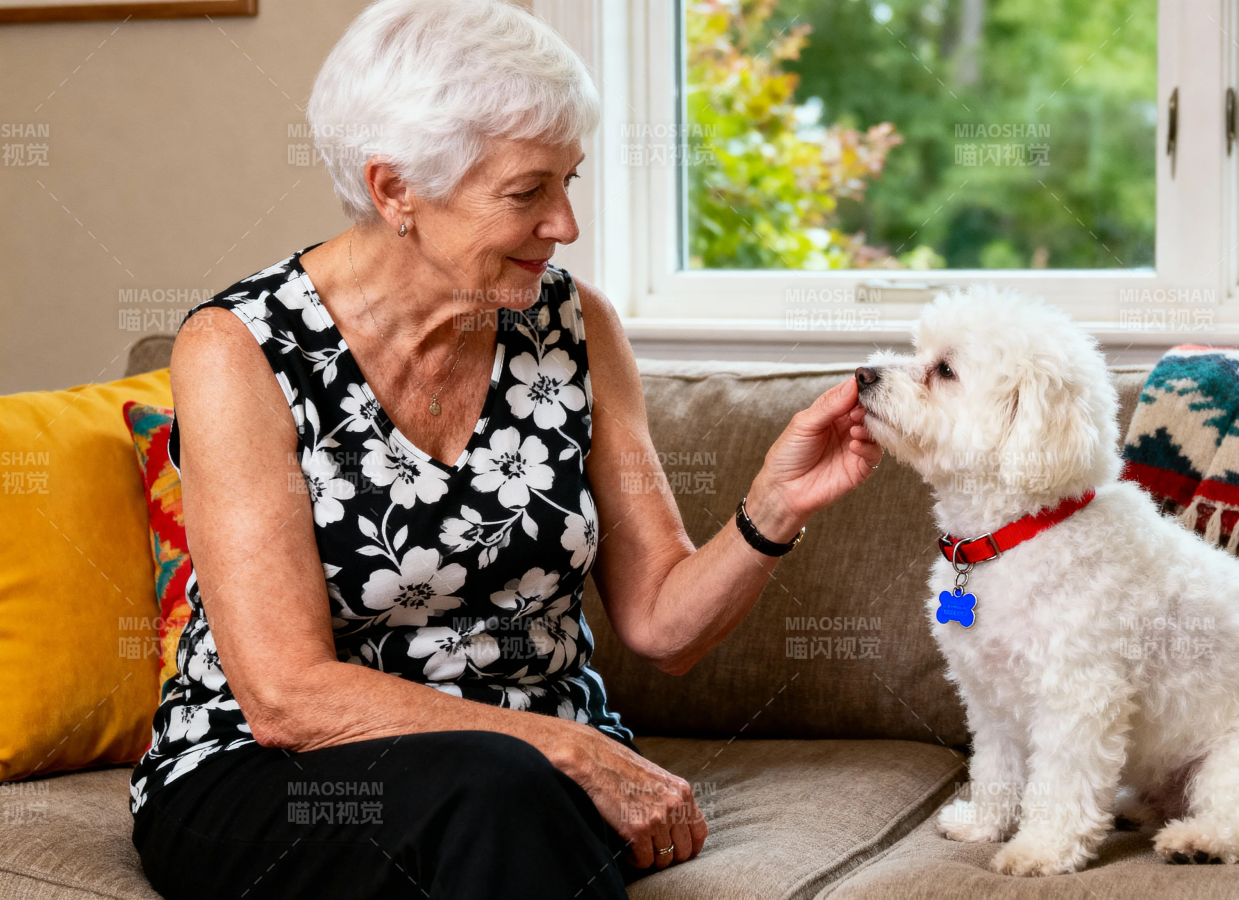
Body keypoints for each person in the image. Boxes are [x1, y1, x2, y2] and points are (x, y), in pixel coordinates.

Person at [128, 1, 881, 897]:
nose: (566, 224)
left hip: (532, 782)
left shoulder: (574, 324)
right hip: (278, 776)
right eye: (528, 192)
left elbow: (661, 627)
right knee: (499, 796)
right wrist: (564, 746)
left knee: (506, 802)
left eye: (571, 180)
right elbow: (289, 696)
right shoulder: (241, 348)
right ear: (394, 188)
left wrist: (773, 509)